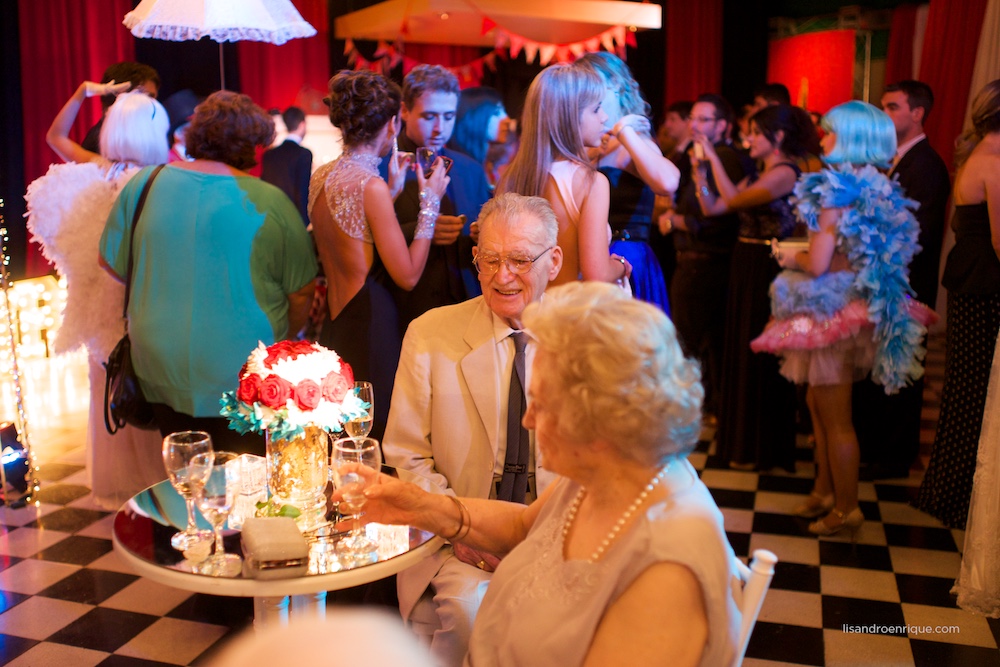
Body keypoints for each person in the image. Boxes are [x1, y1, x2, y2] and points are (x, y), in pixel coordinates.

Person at [340, 281, 741, 667]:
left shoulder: (670, 566)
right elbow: (523, 526)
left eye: (542, 404)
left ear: (600, 419)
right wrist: (421, 506)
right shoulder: (603, 477)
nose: (528, 420)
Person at [383, 193, 563, 667]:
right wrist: (458, 526)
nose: (503, 276)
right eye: (490, 259)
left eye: (521, 260)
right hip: (457, 541)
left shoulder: (582, 341)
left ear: (554, 262)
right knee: (470, 613)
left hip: (557, 536)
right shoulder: (431, 333)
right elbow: (406, 454)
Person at [751, 101, 934, 539]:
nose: (823, 137)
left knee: (836, 416)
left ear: (850, 139)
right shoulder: (880, 188)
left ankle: (847, 509)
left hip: (831, 310)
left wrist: (782, 251)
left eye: (830, 132)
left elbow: (817, 264)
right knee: (820, 403)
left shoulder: (832, 191)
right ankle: (825, 489)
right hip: (853, 304)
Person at [99, 91, 318, 455]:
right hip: (244, 368)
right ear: (252, 146)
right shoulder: (270, 201)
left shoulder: (144, 185)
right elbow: (301, 292)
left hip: (157, 358)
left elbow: (112, 263)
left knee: (186, 473)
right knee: (244, 481)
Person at [27, 84, 168, 510]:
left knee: (112, 384)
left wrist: (82, 93)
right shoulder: (159, 179)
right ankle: (162, 492)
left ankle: (132, 497)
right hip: (143, 298)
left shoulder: (100, 169)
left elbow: (55, 137)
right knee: (150, 389)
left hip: (102, 300)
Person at [310, 70, 449, 442]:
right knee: (374, 438)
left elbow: (353, 232)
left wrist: (391, 190)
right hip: (371, 323)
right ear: (392, 123)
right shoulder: (368, 185)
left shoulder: (323, 175)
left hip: (337, 322)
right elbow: (407, 275)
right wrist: (430, 201)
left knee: (339, 435)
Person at [693, 104, 820, 473]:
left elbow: (732, 200)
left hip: (768, 267)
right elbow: (713, 207)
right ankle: (741, 444)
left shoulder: (784, 172)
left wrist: (714, 156)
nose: (747, 140)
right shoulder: (762, 172)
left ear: (777, 137)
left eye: (755, 133)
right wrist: (700, 172)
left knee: (761, 357)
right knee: (741, 350)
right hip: (744, 264)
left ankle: (763, 447)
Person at [853, 80, 953, 480]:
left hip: (907, 281)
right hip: (884, 281)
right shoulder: (892, 160)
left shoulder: (926, 165)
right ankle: (876, 447)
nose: (885, 115)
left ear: (917, 113)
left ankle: (895, 458)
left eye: (892, 107)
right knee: (881, 369)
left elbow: (920, 232)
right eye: (883, 107)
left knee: (902, 369)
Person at [916, 79, 1000, 530]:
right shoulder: (996, 159)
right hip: (985, 284)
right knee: (977, 393)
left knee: (968, 389)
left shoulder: (979, 153)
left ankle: (951, 490)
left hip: (973, 281)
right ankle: (959, 496)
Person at [378, 65, 492, 332]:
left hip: (467, 308)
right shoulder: (382, 168)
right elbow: (363, 242)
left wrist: (481, 233)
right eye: (430, 116)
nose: (441, 127)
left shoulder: (470, 169)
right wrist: (420, 230)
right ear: (404, 111)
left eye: (449, 116)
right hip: (400, 311)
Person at [662, 93, 753, 419]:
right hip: (697, 260)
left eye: (704, 120)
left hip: (705, 260)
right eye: (694, 119)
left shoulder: (725, 157)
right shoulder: (699, 157)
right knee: (702, 342)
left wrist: (677, 220)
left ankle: (689, 412)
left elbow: (715, 218)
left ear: (724, 125)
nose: (696, 126)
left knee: (688, 341)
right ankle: (705, 408)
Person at [497, 64, 630, 287]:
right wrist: (621, 265)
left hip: (521, 312)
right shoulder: (591, 182)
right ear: (569, 117)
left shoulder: (511, 177)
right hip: (566, 313)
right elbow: (596, 273)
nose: (604, 117)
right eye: (596, 109)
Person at [579, 52, 680, 312]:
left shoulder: (634, 143)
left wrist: (624, 131)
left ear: (615, 84)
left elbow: (667, 183)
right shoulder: (586, 144)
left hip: (626, 260)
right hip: (586, 259)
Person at [80, 61, 160, 153]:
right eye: (147, 97)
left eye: (154, 99)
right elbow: (59, 137)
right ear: (120, 94)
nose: (153, 105)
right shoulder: (101, 143)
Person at [262, 106, 313, 225]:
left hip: (270, 217)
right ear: (302, 124)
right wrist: (304, 223)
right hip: (293, 219)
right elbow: (302, 191)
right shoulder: (304, 154)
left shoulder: (269, 155)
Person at [448, 86, 507, 173]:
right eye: (496, 113)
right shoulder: (458, 171)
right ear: (474, 118)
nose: (506, 119)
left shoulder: (490, 166)